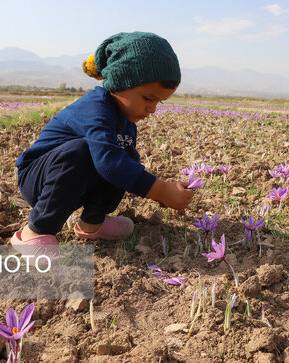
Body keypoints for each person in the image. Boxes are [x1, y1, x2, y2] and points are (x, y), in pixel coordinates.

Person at [12, 32, 194, 251]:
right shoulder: (95, 109)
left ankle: (92, 223)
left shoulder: (125, 121)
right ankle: (35, 231)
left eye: (159, 102)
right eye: (148, 98)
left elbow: (122, 167)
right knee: (90, 153)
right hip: (39, 180)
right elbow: (108, 161)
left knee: (124, 159)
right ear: (120, 83)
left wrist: (157, 193)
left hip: (73, 181)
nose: (152, 109)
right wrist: (161, 190)